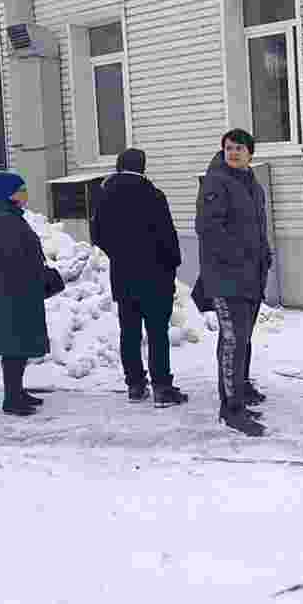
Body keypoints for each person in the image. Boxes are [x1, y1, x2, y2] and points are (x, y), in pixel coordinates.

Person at [91, 148, 187, 407]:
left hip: (123, 274)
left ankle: (135, 385)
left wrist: (119, 255)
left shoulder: (104, 195)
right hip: (155, 275)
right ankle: (162, 388)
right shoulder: (153, 195)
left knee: (129, 332)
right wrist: (171, 265)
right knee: (157, 333)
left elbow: (97, 234)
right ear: (143, 167)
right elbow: (167, 235)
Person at [195, 129, 272, 436]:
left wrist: (263, 255)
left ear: (250, 154)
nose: (234, 153)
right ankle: (231, 408)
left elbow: (257, 229)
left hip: (251, 277)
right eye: (229, 148)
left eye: (240, 148)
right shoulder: (217, 182)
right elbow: (209, 229)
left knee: (242, 340)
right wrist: (240, 257)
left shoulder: (251, 184)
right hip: (227, 278)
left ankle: (238, 391)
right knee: (232, 341)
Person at [0, 171, 49, 416]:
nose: (25, 194)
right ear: (8, 193)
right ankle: (11, 399)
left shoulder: (9, 216)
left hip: (14, 287)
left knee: (18, 343)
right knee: (13, 345)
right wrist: (35, 275)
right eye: (21, 189)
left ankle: (17, 391)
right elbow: (13, 257)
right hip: (9, 290)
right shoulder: (3, 219)